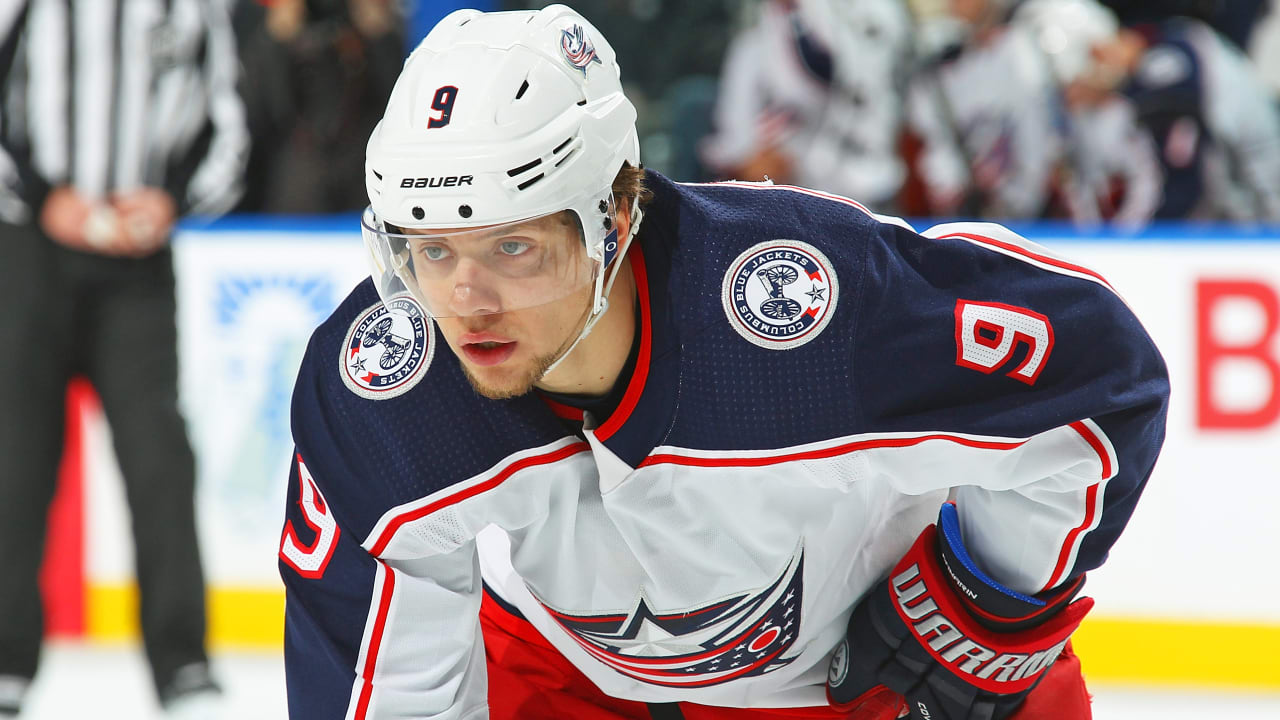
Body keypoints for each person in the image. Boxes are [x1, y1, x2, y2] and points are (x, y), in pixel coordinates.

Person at [279, 5, 1168, 719]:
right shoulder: (382, 387)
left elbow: (1097, 376)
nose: (466, 303)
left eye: (514, 249)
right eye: (431, 252)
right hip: (563, 675)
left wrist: (981, 602)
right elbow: (384, 691)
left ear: (614, 219)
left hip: (857, 679)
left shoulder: (799, 307)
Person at [0, 1, 247, 718]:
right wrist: (43, 199)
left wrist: (172, 201)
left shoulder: (196, 7)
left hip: (138, 267)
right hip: (30, 255)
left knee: (158, 457)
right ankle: (5, 658)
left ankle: (183, 663)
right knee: (15, 459)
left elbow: (229, 123)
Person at [702, 0, 914, 209]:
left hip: (862, 189)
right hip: (784, 199)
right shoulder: (755, 42)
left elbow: (865, 96)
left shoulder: (875, 14)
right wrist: (749, 160)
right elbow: (736, 142)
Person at [1068, 12, 1280, 221]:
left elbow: (1189, 181)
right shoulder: (1126, 92)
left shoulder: (1179, 59)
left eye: (1098, 57)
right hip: (1234, 179)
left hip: (1251, 172)